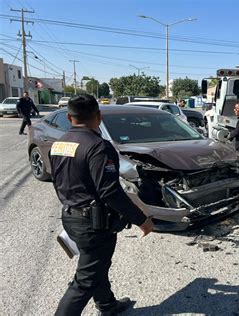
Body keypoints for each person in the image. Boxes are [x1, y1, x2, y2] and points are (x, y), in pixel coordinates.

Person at [49, 94, 154, 316]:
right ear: (99, 117)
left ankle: (107, 306)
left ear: (69, 117)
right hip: (93, 224)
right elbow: (111, 192)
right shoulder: (99, 146)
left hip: (70, 216)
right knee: (84, 282)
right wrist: (142, 220)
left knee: (97, 265)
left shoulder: (58, 144)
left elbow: (59, 181)